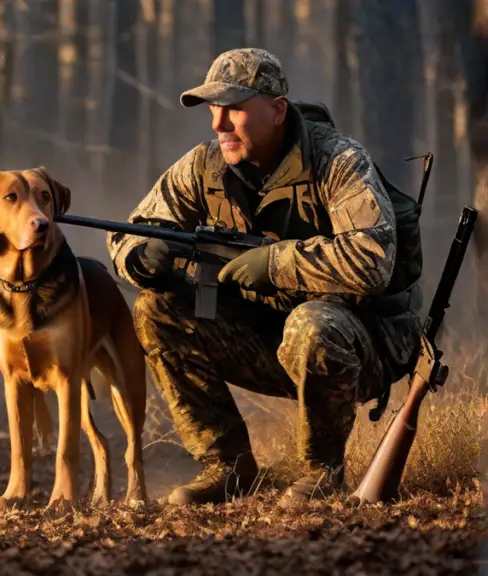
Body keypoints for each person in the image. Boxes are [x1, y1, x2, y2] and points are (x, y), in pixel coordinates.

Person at [106, 47, 423, 508]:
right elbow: (131, 230)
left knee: (313, 325)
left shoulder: (338, 160)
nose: (219, 124)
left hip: (358, 343)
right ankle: (228, 468)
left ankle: (322, 473)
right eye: (213, 110)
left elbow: (373, 259)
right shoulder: (203, 166)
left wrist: (275, 264)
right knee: (155, 309)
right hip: (266, 337)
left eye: (234, 108)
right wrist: (141, 258)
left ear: (277, 111)